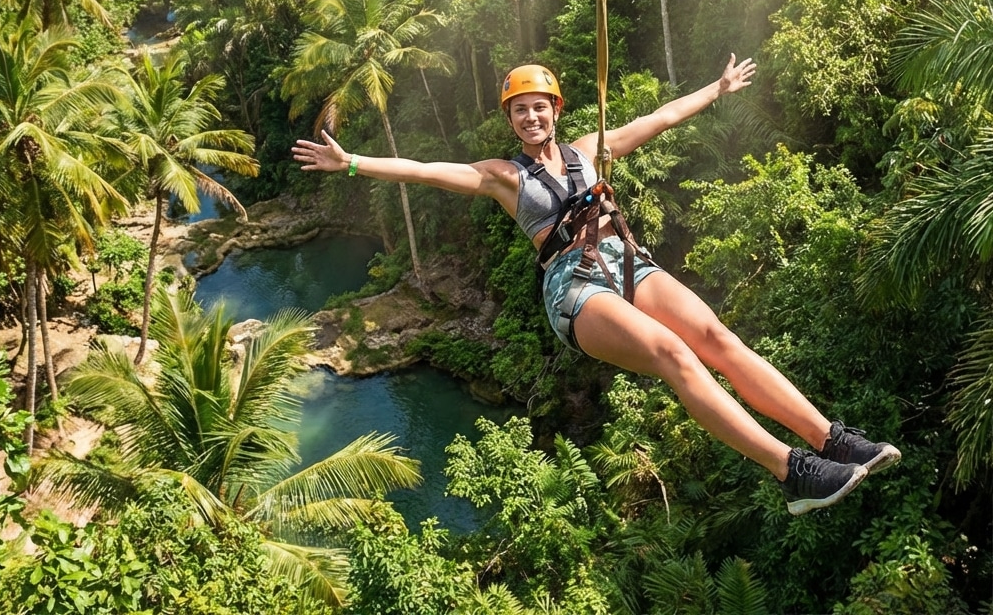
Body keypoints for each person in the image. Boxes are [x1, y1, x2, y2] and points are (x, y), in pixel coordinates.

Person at [292, 55, 901, 515]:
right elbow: (423, 170)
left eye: (540, 106)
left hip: (626, 260)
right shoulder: (503, 176)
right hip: (573, 287)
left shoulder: (591, 151)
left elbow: (657, 119)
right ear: (510, 120)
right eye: (519, 110)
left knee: (717, 336)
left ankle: (834, 440)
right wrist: (350, 162)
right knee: (673, 355)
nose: (531, 116)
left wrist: (715, 91)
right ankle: (790, 473)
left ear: (556, 110)